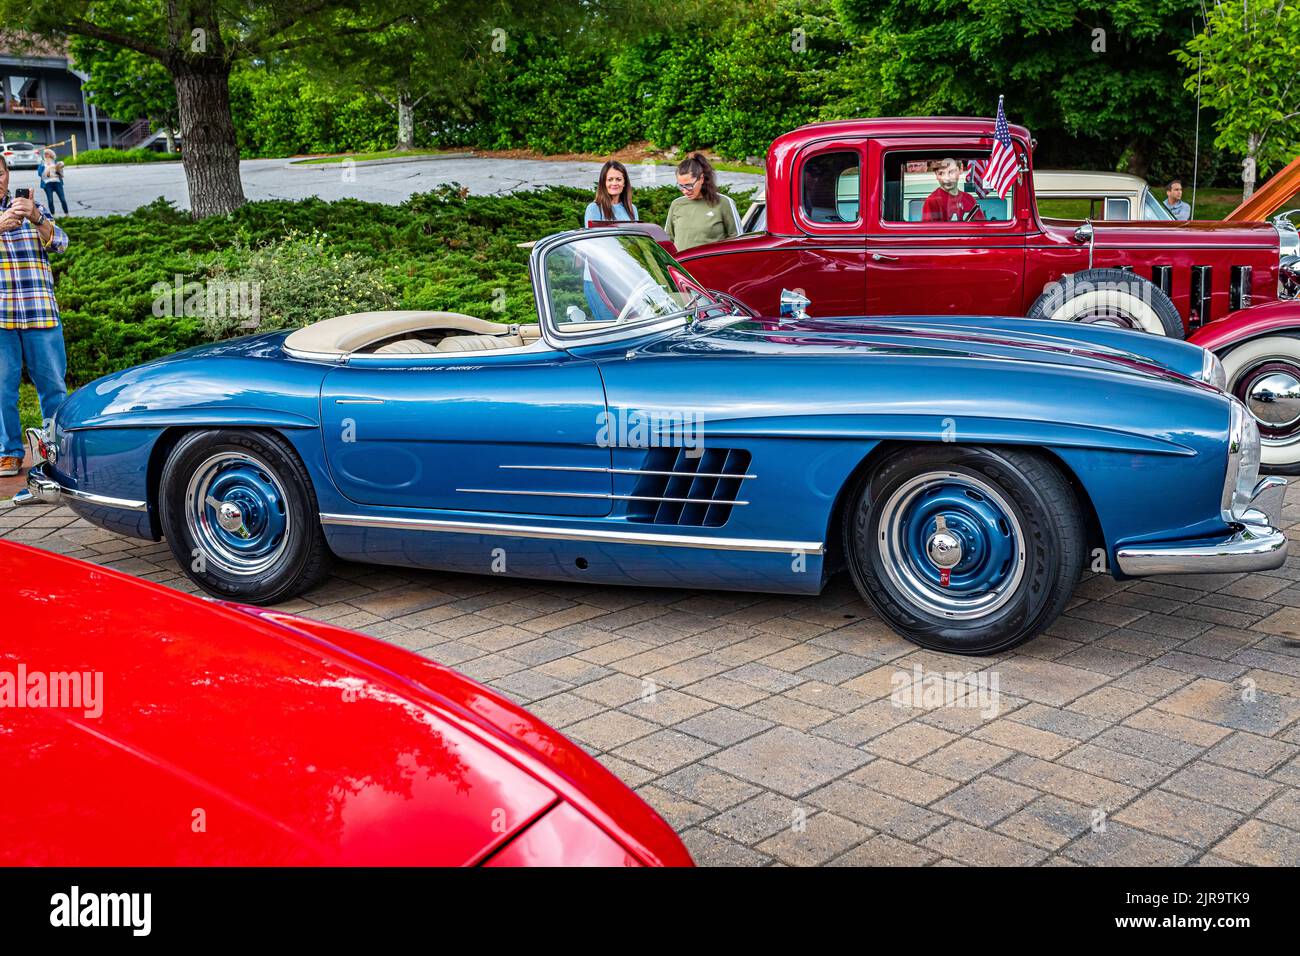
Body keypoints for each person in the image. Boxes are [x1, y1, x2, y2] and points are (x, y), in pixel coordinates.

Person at [0, 160, 70, 478]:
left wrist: (36, 216)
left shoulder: (32, 205)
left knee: (53, 387)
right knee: (2, 389)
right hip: (1, 318)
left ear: (7, 175)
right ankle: (9, 452)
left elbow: (62, 244)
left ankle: (58, 450)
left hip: (39, 311)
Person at [664, 153, 739, 251]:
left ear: (702, 179)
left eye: (689, 185)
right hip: (681, 265)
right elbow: (668, 241)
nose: (685, 191)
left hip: (712, 265)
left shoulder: (723, 203)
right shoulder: (676, 204)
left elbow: (737, 240)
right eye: (681, 186)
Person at [922, 158, 985, 222]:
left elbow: (981, 228)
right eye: (941, 173)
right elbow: (929, 230)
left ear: (961, 169)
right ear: (936, 174)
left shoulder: (969, 199)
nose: (946, 178)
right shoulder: (932, 201)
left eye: (951, 172)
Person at [584, 161, 637, 225]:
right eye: (610, 179)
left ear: (624, 183)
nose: (614, 183)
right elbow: (593, 234)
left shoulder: (632, 208)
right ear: (604, 183)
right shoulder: (594, 208)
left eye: (618, 179)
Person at [36, 149, 68, 217]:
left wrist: (59, 168)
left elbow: (61, 174)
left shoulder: (56, 162)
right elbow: (39, 173)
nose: (46, 155)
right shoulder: (42, 163)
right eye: (45, 154)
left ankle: (67, 214)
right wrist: (47, 169)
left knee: (63, 199)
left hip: (57, 183)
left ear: (51, 154)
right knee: (50, 200)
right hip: (47, 184)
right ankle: (53, 215)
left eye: (48, 154)